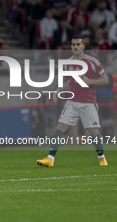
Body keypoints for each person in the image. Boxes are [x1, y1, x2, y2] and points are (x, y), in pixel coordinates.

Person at [37, 35, 109, 167]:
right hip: (72, 101)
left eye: (78, 44)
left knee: (93, 131)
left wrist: (90, 81)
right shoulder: (68, 62)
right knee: (60, 127)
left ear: (83, 46)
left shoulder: (92, 61)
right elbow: (67, 80)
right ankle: (50, 159)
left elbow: (105, 79)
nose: (75, 47)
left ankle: (102, 158)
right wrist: (59, 88)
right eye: (73, 44)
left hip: (88, 101)